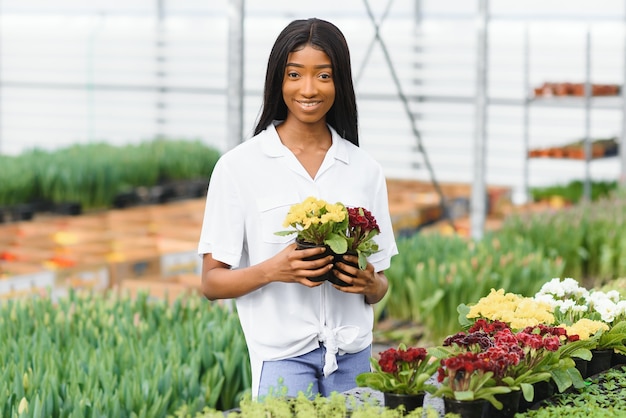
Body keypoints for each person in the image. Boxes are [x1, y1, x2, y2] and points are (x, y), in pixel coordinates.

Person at [198, 17, 398, 399]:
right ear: (278, 80)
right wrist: (275, 269)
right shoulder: (239, 167)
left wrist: (371, 285)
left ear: (340, 83)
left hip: (353, 356)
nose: (308, 89)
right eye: (295, 74)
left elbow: (381, 283)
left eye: (323, 76)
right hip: (282, 359)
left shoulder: (364, 170)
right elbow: (211, 282)